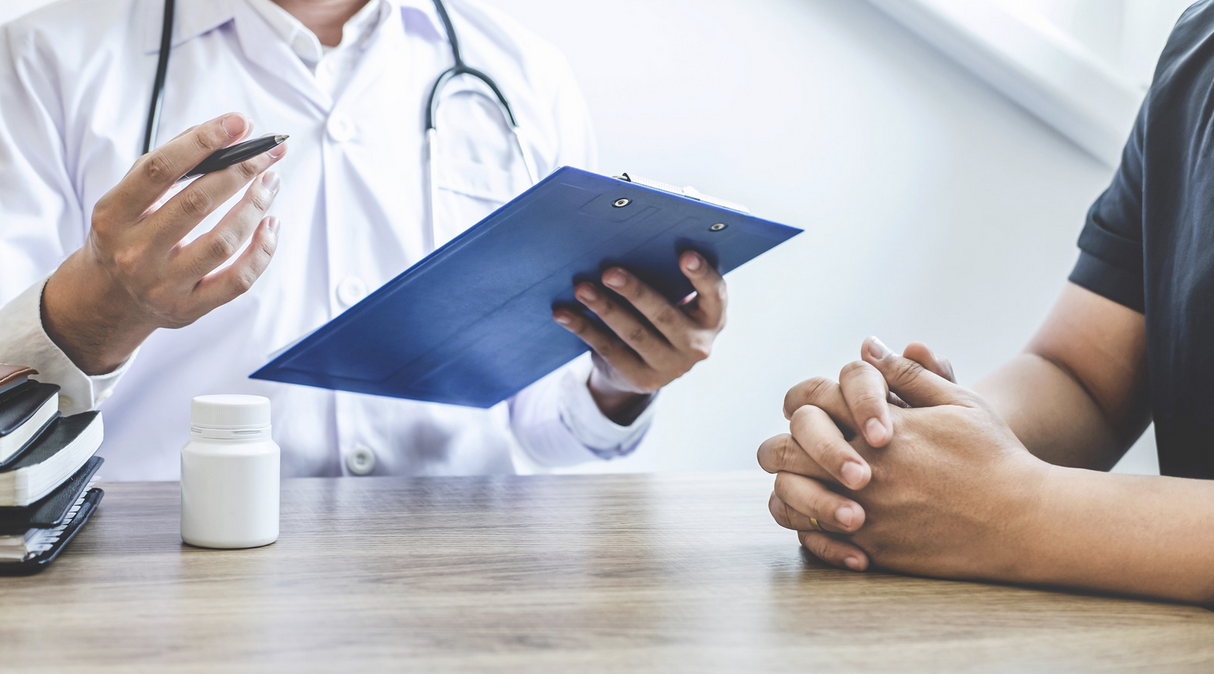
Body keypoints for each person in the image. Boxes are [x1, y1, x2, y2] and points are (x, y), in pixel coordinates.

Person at [0, 0, 728, 479]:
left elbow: (541, 431)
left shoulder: (525, 76)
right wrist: (96, 311)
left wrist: (618, 382)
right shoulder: (43, 65)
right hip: (160, 580)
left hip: (457, 590)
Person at [757, 1, 1214, 605]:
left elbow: (1021, 504)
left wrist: (1026, 512)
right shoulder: (1197, 50)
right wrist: (915, 444)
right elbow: (1083, 378)